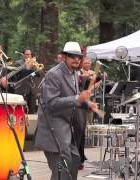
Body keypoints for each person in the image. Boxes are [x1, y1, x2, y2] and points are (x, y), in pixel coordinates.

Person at [34, 41, 98, 180]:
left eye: (79, 57)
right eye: (72, 56)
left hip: (67, 129)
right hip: (53, 130)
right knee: (61, 168)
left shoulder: (74, 73)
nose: (76, 59)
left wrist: (88, 104)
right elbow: (52, 103)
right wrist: (78, 98)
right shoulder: (54, 74)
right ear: (64, 57)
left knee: (75, 160)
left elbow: (75, 98)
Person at [12, 48, 38, 113]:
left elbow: (39, 74)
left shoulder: (33, 63)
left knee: (32, 111)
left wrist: (36, 67)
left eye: (30, 54)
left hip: (32, 89)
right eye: (27, 54)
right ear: (23, 55)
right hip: (22, 89)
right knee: (21, 111)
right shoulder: (18, 63)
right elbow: (17, 75)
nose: (29, 56)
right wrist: (27, 67)